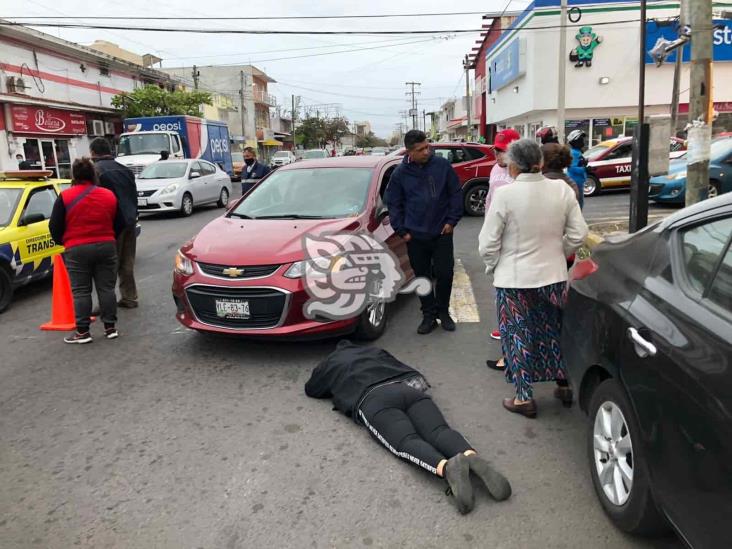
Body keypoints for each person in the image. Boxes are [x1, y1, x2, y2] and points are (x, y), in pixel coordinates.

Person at [305, 341, 512, 514]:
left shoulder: (330, 363)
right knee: (439, 431)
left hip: (372, 399)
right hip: (407, 389)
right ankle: (470, 455)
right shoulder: (374, 350)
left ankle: (446, 468)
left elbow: (312, 389)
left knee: (405, 441)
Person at [478, 139, 588, 418]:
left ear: (514, 165)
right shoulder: (562, 190)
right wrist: (558, 253)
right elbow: (579, 234)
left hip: (513, 280)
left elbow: (487, 244)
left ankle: (524, 397)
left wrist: (494, 266)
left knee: (517, 335)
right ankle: (564, 385)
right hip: (552, 275)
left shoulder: (505, 195)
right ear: (538, 162)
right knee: (554, 330)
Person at [385, 130, 463, 334]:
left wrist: (452, 221)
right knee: (422, 276)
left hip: (442, 232)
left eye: (427, 146)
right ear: (409, 151)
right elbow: (393, 203)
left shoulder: (442, 166)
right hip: (415, 235)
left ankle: (443, 312)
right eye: (420, 149)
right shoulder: (400, 174)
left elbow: (455, 193)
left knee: (445, 274)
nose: (426, 151)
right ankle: (428, 315)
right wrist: (402, 231)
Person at [49, 158, 124, 344]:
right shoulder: (108, 195)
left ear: (73, 175)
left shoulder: (65, 197)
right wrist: (108, 235)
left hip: (77, 249)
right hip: (106, 245)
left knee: (81, 291)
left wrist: (66, 241)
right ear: (93, 174)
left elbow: (54, 226)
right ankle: (110, 327)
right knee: (106, 288)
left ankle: (83, 332)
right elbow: (121, 222)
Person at [484, 129, 520, 366]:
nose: (497, 153)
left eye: (502, 150)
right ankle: (505, 326)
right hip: (497, 237)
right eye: (495, 149)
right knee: (501, 287)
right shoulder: (495, 170)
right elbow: (489, 199)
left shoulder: (523, 172)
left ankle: (515, 346)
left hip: (517, 240)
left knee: (516, 289)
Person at [89, 137, 139, 308]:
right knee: (127, 262)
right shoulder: (125, 170)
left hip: (111, 224)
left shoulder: (96, 171)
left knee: (108, 266)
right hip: (130, 221)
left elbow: (94, 199)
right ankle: (129, 297)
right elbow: (133, 196)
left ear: (93, 153)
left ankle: (105, 303)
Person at [566, 129, 587, 208]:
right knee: (578, 204)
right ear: (576, 142)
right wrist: (585, 169)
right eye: (581, 140)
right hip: (575, 182)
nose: (583, 142)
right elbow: (571, 168)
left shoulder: (577, 152)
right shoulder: (574, 153)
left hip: (578, 181)